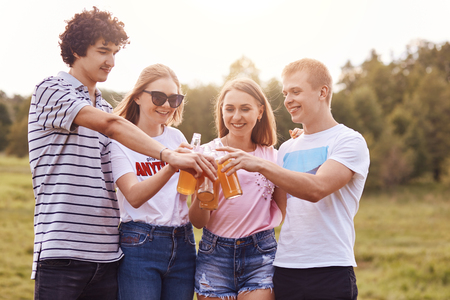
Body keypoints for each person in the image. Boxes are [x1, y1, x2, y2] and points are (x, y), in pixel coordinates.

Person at [28, 7, 215, 300]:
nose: (111, 61)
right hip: (62, 251)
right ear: (77, 49)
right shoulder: (51, 89)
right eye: (104, 51)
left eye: (115, 52)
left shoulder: (103, 107)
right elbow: (113, 126)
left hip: (107, 254)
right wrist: (169, 157)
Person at [218, 58, 370, 300]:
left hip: (330, 268)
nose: (288, 100)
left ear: (322, 92)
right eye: (285, 92)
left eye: (296, 91)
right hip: (286, 268)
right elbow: (284, 206)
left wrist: (260, 164)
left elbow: (317, 189)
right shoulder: (287, 148)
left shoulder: (349, 141)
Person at [189, 78, 286, 300]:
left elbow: (287, 212)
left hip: (260, 254)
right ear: (221, 111)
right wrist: (206, 190)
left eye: (245, 109)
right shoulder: (205, 154)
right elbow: (198, 222)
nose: (236, 116)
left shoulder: (273, 157)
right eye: (230, 109)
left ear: (260, 112)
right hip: (214, 256)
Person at [111, 64, 196, 300]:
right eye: (159, 97)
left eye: (174, 99)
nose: (167, 105)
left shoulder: (176, 137)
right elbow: (134, 196)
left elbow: (185, 191)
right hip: (139, 243)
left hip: (183, 241)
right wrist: (171, 165)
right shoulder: (119, 141)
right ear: (138, 96)